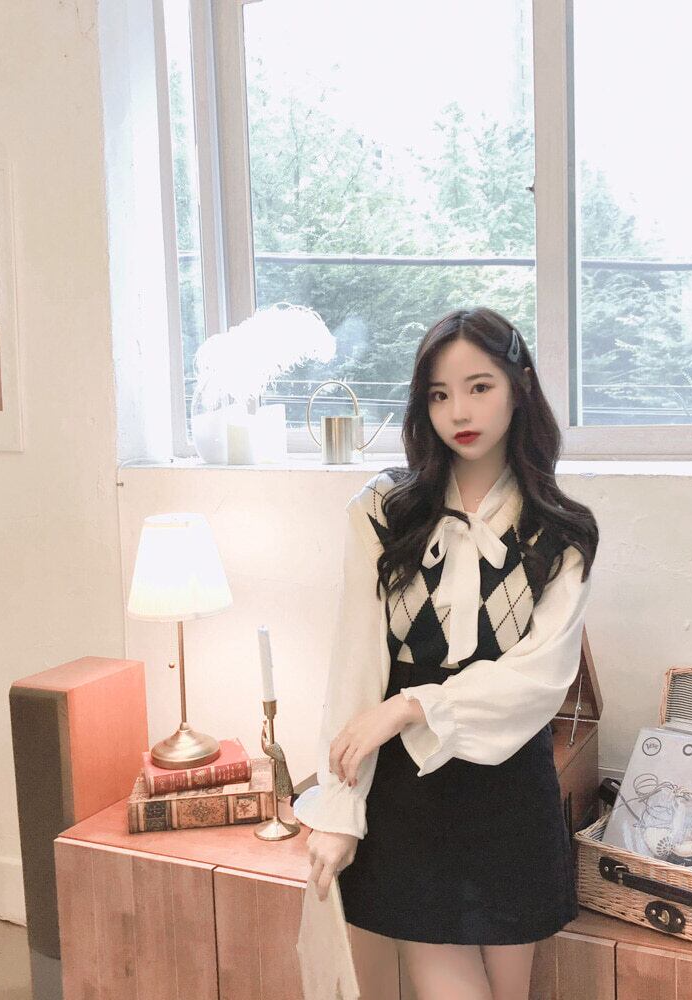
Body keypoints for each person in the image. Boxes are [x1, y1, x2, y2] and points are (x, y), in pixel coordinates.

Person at [293, 307, 600, 1000]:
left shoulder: (563, 532)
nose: (458, 411)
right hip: (409, 796)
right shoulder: (383, 510)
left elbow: (542, 679)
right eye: (438, 394)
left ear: (520, 386)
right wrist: (340, 810)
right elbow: (355, 666)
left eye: (479, 387)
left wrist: (410, 705)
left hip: (510, 787)